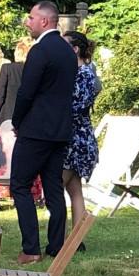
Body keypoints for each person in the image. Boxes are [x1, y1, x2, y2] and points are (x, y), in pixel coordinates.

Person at [10, 1, 77, 264]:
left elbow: (27, 91)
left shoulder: (40, 51)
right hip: (60, 130)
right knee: (53, 188)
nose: (28, 22)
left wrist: (16, 120)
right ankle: (56, 246)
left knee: (20, 185)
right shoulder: (67, 51)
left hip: (36, 130)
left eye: (31, 18)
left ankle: (30, 249)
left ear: (45, 22)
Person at [61, 30, 101, 245]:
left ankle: (65, 240)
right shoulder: (79, 72)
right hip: (77, 135)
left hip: (75, 138)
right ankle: (77, 240)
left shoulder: (84, 73)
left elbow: (77, 106)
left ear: (75, 49)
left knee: (58, 185)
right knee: (74, 188)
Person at [0, 37, 36, 202]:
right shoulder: (35, 71)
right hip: (29, 119)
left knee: (2, 153)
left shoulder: (7, 69)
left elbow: (0, 95)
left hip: (8, 117)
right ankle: (30, 190)